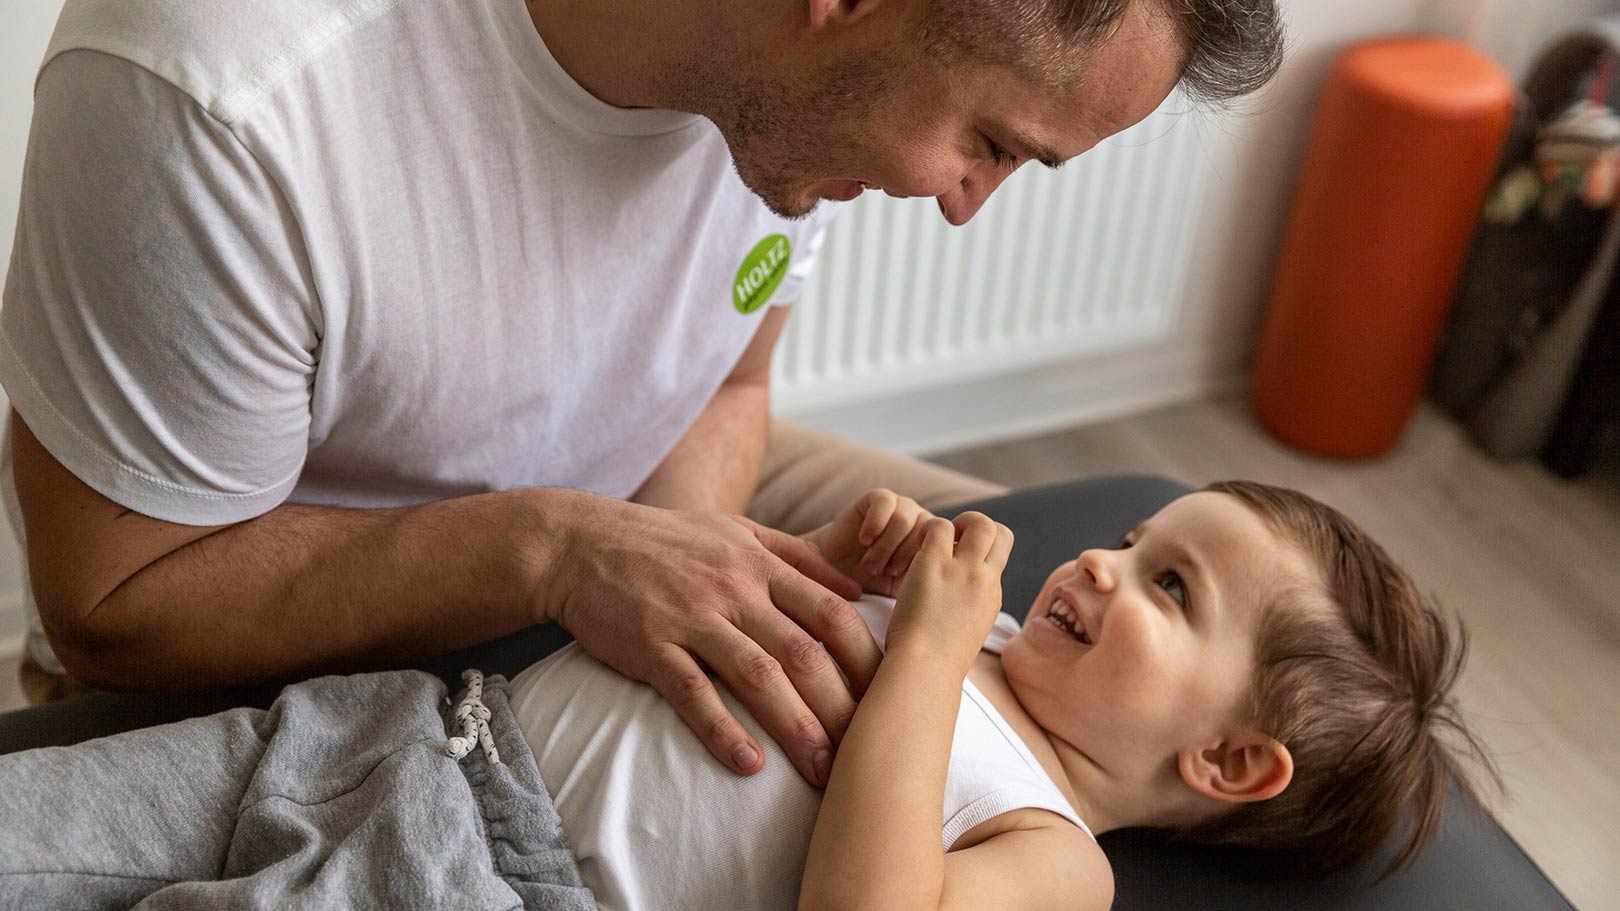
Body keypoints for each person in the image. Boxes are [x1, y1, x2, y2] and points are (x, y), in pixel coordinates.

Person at [0, 0, 1283, 792]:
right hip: (260, 609)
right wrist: (557, 555)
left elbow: (731, 382)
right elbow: (114, 606)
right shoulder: (218, 94)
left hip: (634, 484)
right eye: (990, 144)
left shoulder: (796, 96)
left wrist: (691, 565)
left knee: (1218, 640)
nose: (963, 205)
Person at [0, 481, 1496, 910]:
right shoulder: (971, 635)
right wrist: (828, 569)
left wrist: (924, 649)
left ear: (1229, 759)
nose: (1103, 559)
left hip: (487, 884)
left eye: (1171, 588)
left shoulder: (1053, 849)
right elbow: (732, 628)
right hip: (406, 731)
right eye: (1137, 538)